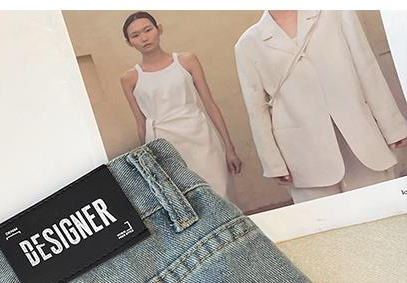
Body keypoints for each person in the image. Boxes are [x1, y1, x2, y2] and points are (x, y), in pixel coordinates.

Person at [235, 10, 407, 204]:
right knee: (328, 219)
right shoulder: (248, 44)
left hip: (360, 137)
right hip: (303, 156)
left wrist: (393, 127)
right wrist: (273, 163)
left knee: (382, 208)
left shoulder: (336, 12)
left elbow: (366, 68)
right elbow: (257, 110)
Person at [120, 11, 242, 203]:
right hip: (164, 145)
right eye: (135, 35)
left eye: (148, 30)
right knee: (187, 202)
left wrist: (229, 147)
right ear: (129, 42)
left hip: (201, 138)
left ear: (159, 29)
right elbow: (140, 123)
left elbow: (210, 104)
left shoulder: (186, 61)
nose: (144, 38)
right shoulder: (129, 78)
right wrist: (147, 164)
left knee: (220, 193)